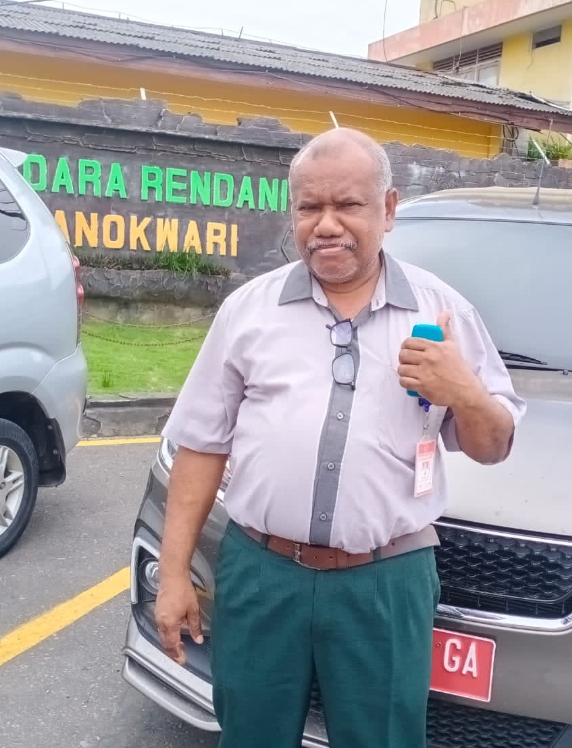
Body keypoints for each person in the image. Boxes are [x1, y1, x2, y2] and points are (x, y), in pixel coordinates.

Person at [153, 127, 526, 748]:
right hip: (261, 573)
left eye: (348, 205)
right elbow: (201, 445)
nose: (326, 225)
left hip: (386, 581)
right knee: (248, 734)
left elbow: (493, 445)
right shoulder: (248, 311)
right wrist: (172, 577)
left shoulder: (443, 315)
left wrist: (465, 390)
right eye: (309, 207)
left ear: (388, 209)